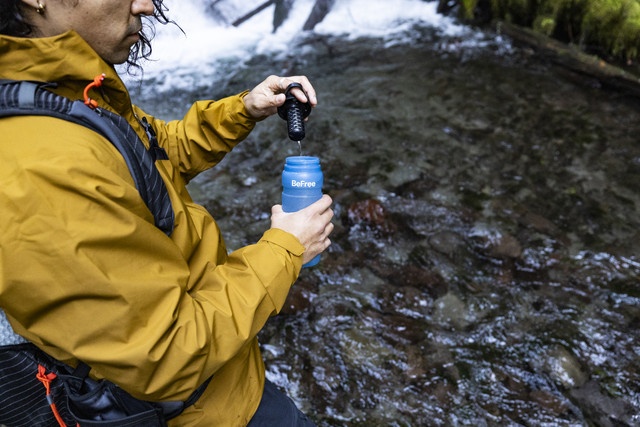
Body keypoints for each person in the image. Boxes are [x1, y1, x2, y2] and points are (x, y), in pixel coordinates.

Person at [0, 0, 334, 426]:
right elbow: (167, 353)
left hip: (219, 381)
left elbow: (149, 156)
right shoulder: (37, 170)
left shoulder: (60, 92)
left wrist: (242, 110)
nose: (145, 4)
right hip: (196, 412)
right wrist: (286, 248)